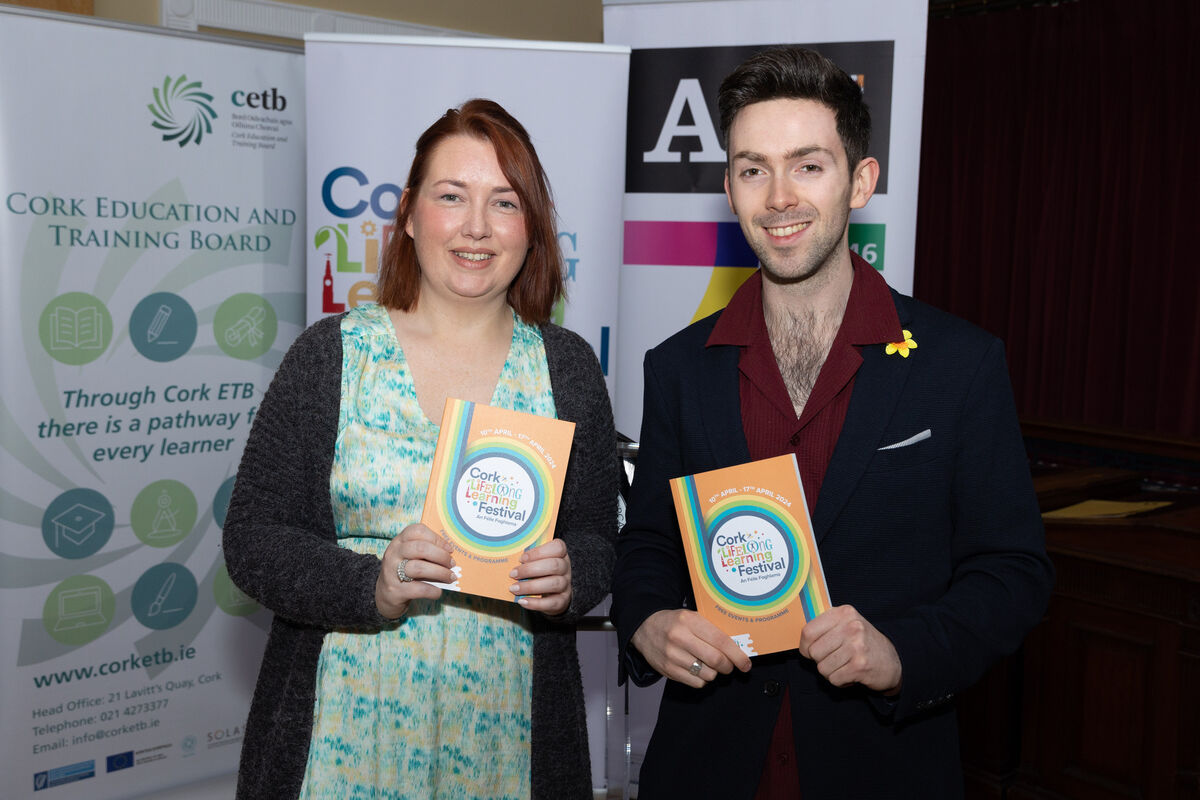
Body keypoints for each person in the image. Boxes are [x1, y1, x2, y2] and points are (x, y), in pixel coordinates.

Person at [610, 47, 1054, 799]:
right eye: (753, 169)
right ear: (729, 189)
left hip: (883, 766)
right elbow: (650, 541)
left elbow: (1013, 571)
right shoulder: (679, 366)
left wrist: (902, 654)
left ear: (861, 180)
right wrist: (648, 621)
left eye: (808, 166)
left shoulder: (959, 363)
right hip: (708, 766)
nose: (779, 197)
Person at [223, 98, 617, 800]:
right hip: (341, 743)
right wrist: (368, 585)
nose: (476, 226)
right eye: (451, 196)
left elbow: (598, 536)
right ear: (408, 214)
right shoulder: (331, 356)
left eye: (504, 202)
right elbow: (253, 537)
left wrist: (572, 575)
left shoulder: (568, 368)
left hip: (507, 741)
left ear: (532, 227)